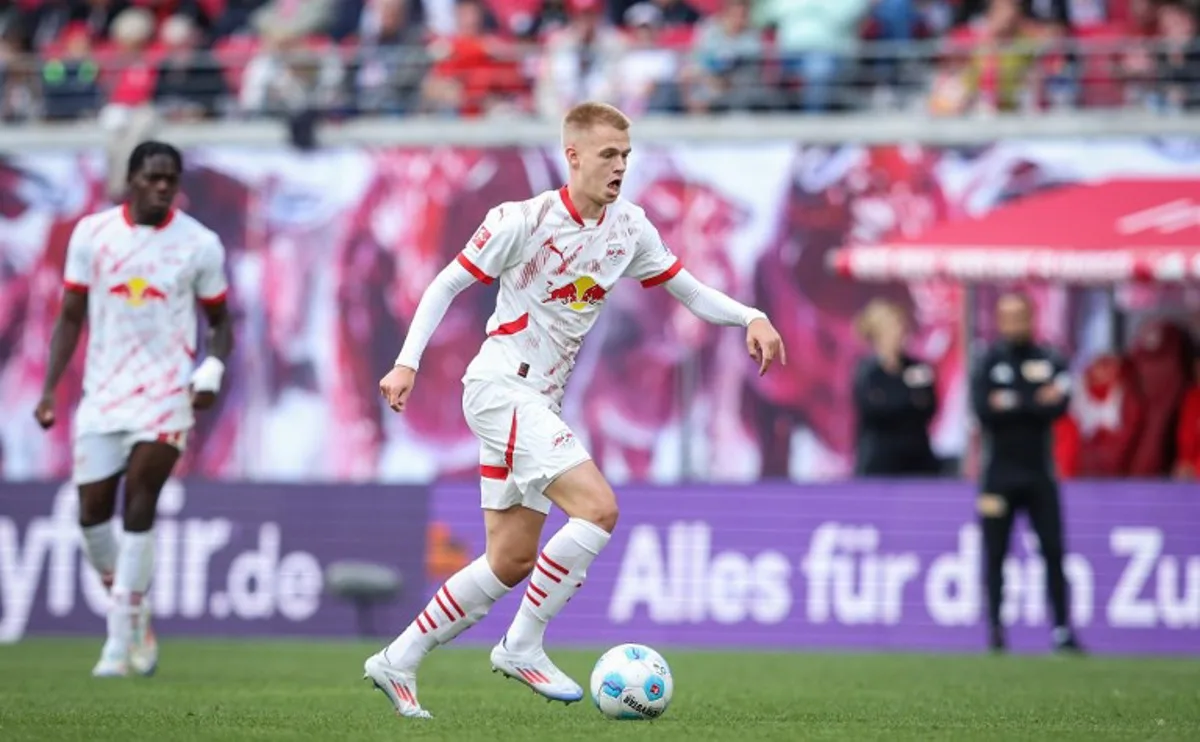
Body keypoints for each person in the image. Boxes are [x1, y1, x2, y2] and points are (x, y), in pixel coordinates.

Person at [368, 101, 786, 719]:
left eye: (627, 156)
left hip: (539, 401)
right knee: (598, 508)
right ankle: (523, 644)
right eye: (608, 155)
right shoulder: (522, 219)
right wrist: (407, 361)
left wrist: (750, 315)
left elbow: (689, 290)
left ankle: (397, 659)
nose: (620, 167)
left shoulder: (630, 229)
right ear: (574, 156)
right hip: (500, 388)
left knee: (509, 560)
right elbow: (446, 283)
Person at [34, 141, 234, 677]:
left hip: (167, 396)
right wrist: (52, 388)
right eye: (153, 178)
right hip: (103, 396)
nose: (163, 187)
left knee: (141, 499)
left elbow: (220, 323)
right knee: (93, 520)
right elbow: (70, 315)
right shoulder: (92, 235)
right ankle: (135, 608)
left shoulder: (200, 245)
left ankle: (118, 647)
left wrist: (210, 370)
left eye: (171, 178)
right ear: (132, 180)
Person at [969, 292, 1082, 655]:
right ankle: (996, 630)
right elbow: (983, 411)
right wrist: (1033, 400)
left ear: (1032, 318)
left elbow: (1061, 404)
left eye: (1020, 315)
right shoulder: (988, 360)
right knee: (995, 552)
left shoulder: (1049, 358)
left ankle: (1062, 630)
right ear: (999, 320)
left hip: (1038, 474)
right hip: (998, 475)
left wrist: (1012, 401)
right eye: (1007, 316)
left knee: (1052, 550)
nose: (1014, 323)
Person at [852, 298, 939, 476]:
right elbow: (872, 409)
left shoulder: (919, 368)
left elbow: (929, 406)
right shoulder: (867, 372)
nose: (900, 334)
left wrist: (891, 400)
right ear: (877, 334)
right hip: (878, 463)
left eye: (902, 328)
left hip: (918, 461)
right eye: (893, 329)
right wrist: (909, 401)